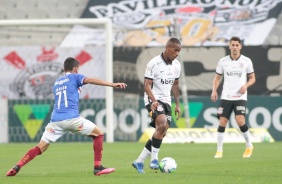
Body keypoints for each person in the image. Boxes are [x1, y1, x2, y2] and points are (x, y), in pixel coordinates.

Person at [6, 57, 127, 176]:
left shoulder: (57, 82)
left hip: (55, 121)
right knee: (98, 134)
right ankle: (97, 167)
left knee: (41, 147)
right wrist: (112, 84)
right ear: (75, 68)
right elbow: (90, 80)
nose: (78, 71)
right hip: (72, 119)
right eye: (78, 69)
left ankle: (18, 166)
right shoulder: (75, 77)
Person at [132, 37, 182, 173]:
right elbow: (147, 85)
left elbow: (176, 84)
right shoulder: (153, 63)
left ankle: (139, 161)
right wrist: (153, 100)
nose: (177, 53)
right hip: (152, 99)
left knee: (162, 131)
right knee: (161, 124)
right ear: (168, 48)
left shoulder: (177, 65)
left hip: (167, 101)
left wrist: (177, 104)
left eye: (179, 51)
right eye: (175, 50)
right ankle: (154, 159)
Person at [211, 36, 256, 159]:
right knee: (222, 122)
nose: (235, 47)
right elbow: (217, 78)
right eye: (233, 45)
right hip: (226, 96)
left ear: (240, 46)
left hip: (240, 96)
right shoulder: (223, 61)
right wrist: (214, 91)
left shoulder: (246, 61)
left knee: (240, 120)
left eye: (237, 45)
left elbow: (252, 78)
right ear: (229, 46)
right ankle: (219, 150)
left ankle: (248, 145)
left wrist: (246, 85)